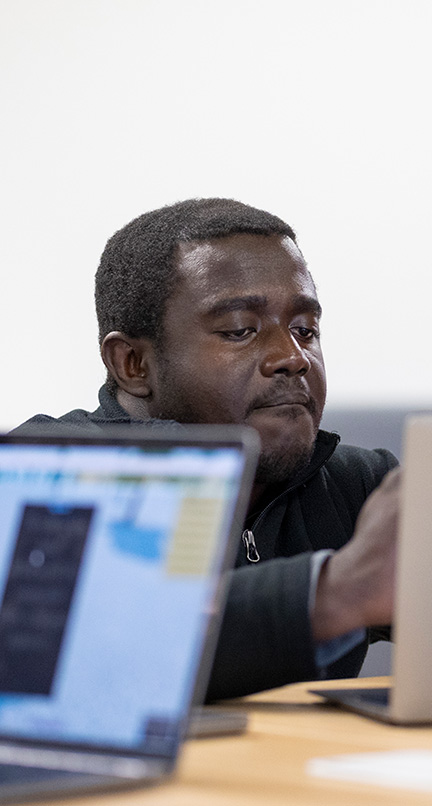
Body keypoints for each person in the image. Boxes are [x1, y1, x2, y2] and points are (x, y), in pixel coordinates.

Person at [15, 198, 400, 701]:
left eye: (306, 330)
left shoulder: (362, 487)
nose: (292, 357)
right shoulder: (45, 473)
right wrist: (332, 593)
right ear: (133, 364)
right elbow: (73, 655)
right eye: (240, 330)